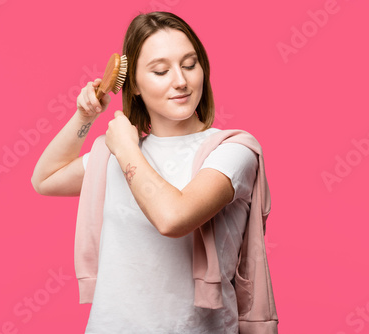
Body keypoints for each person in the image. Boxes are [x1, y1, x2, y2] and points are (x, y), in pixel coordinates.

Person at [31, 11, 278, 334]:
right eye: (161, 71)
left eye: (190, 64)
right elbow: (45, 179)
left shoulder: (233, 150)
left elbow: (173, 218)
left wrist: (127, 149)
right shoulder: (115, 153)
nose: (180, 80)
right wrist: (84, 116)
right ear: (132, 83)